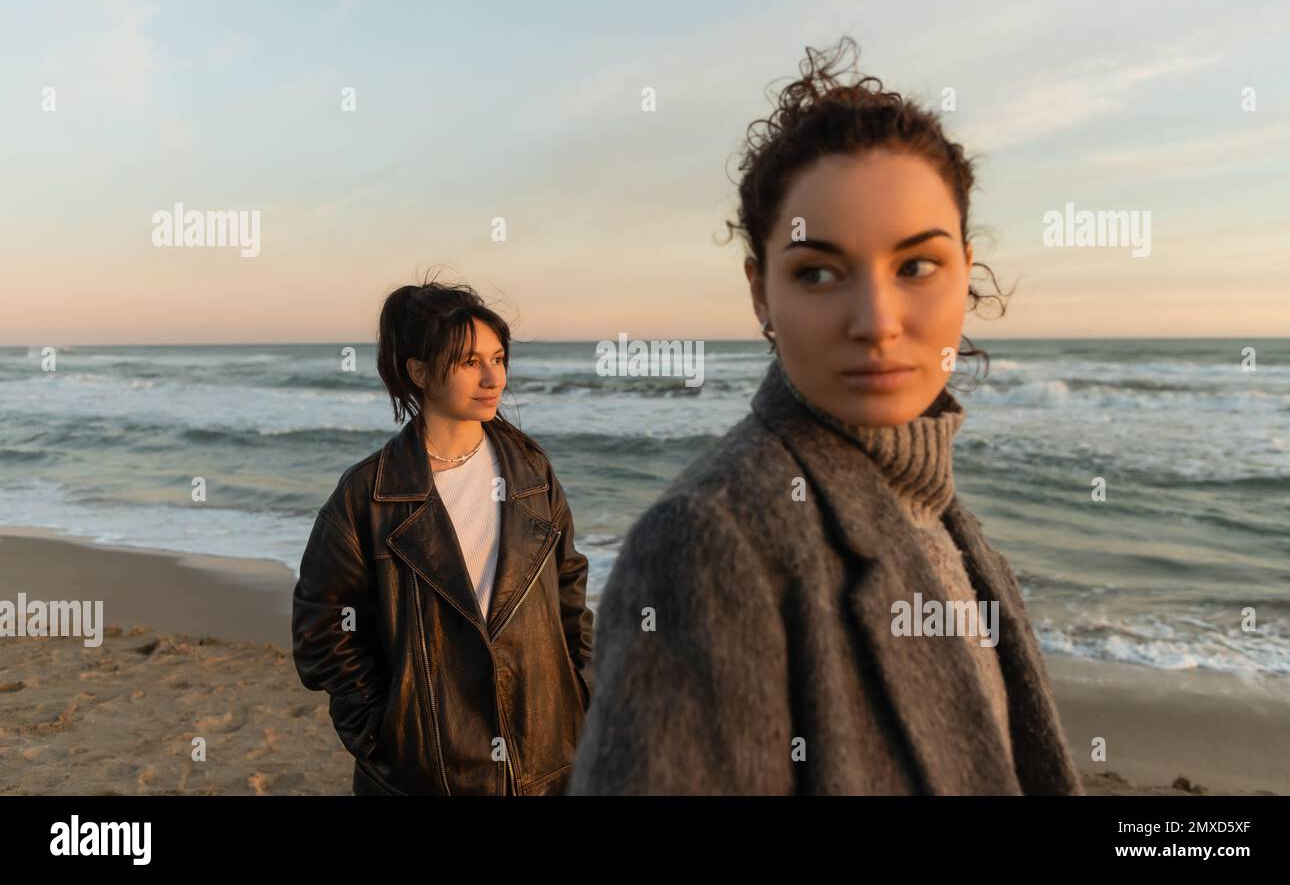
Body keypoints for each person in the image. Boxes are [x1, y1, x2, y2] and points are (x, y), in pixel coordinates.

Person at [568, 38, 1082, 795]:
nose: (876, 320)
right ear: (759, 292)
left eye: (915, 266)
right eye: (817, 272)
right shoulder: (709, 545)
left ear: (966, 272)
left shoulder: (946, 523)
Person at [293, 277, 594, 795]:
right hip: (428, 773)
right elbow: (322, 628)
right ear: (420, 372)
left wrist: (582, 693)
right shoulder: (369, 495)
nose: (492, 377)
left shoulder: (531, 474)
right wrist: (383, 733)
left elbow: (570, 592)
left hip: (546, 762)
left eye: (498, 359)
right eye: (469, 362)